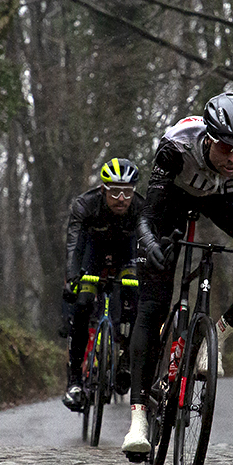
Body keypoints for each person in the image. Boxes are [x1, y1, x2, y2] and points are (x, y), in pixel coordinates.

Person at [121, 91, 233, 454]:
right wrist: (150, 244)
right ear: (208, 139)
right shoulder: (177, 146)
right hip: (172, 201)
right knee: (151, 304)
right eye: (225, 148)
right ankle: (138, 420)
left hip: (223, 200)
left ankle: (213, 338)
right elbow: (146, 215)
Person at [62, 158, 143, 411]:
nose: (122, 198)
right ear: (103, 189)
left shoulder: (141, 208)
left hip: (127, 255)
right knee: (83, 304)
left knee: (134, 300)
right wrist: (72, 276)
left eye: (128, 192)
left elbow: (148, 244)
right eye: (115, 191)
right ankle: (74, 381)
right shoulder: (85, 205)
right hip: (92, 255)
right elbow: (74, 244)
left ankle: (126, 362)